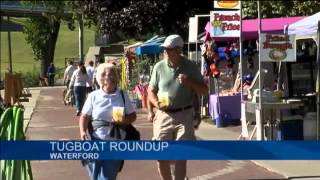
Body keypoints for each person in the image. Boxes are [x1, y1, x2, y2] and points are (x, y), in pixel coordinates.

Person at [148, 34, 208, 180]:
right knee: (161, 154)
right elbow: (150, 90)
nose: (165, 52)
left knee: (181, 155)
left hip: (184, 114)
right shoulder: (159, 66)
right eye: (164, 49)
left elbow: (204, 91)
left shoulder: (190, 66)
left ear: (178, 50)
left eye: (168, 49)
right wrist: (156, 105)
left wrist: (190, 82)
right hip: (163, 114)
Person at [79, 63, 136, 180]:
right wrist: (83, 132)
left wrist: (124, 121)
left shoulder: (122, 95)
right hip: (95, 142)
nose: (111, 78)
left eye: (113, 75)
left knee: (107, 178)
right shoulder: (93, 96)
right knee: (94, 176)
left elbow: (133, 116)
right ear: (101, 79)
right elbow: (84, 116)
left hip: (116, 144)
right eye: (107, 75)